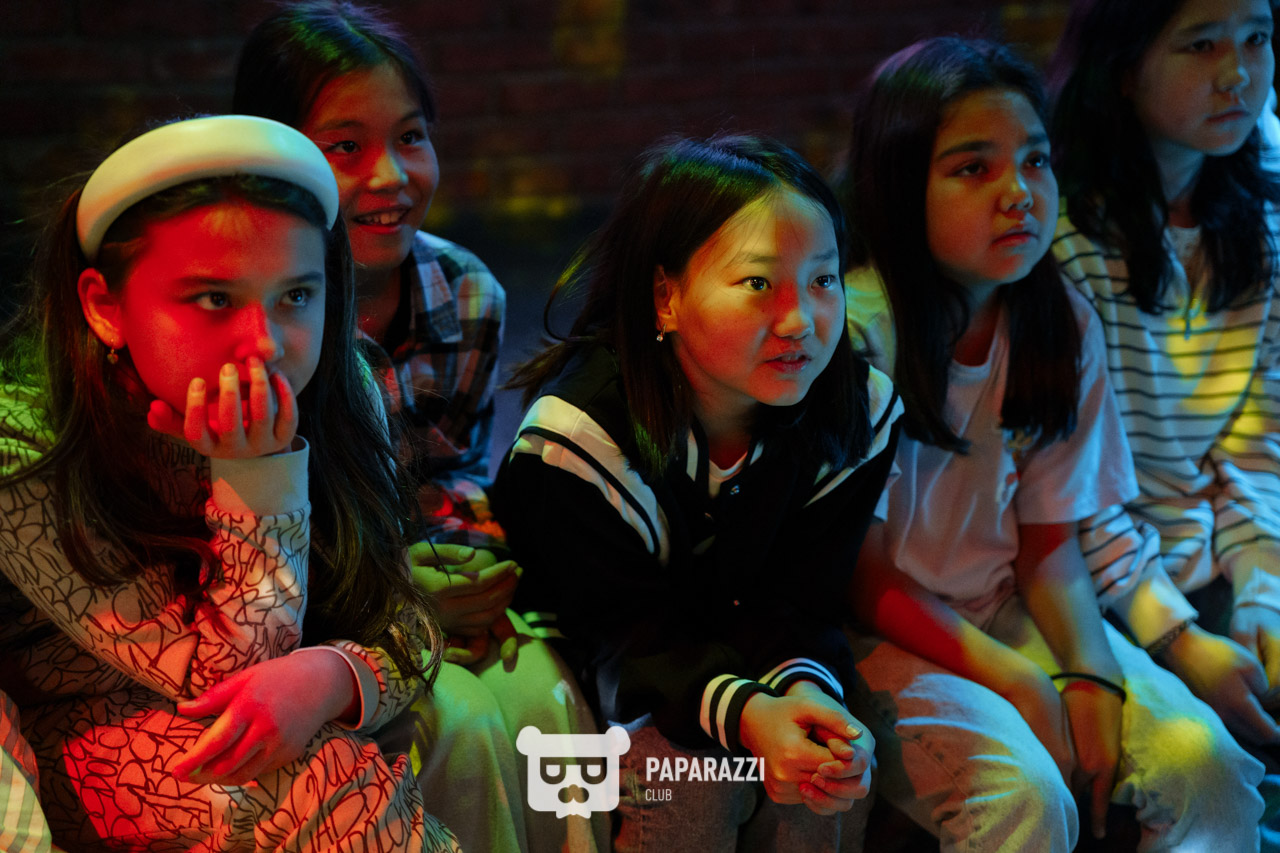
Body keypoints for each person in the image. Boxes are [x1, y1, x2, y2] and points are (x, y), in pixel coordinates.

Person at [839, 36, 1264, 852]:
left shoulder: (1058, 320)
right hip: (879, 636)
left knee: (1205, 764)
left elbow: (1049, 545)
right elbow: (866, 580)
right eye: (974, 168)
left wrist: (1091, 672)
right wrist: (1023, 680)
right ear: (898, 182)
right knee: (1024, 797)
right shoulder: (860, 336)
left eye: (1034, 161)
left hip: (1006, 607)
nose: (1018, 193)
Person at [0, 115, 457, 852]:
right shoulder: (26, 446)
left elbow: (408, 618)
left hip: (290, 705)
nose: (265, 343)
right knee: (319, 785)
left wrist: (333, 675)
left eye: (296, 296)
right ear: (105, 307)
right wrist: (256, 474)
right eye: (215, 299)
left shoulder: (341, 389)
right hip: (94, 728)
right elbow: (226, 683)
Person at [232, 3, 601, 850]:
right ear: (273, 158)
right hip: (311, 622)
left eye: (411, 137)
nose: (392, 175)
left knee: (548, 696)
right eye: (346, 146)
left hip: (425, 586)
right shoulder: (256, 326)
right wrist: (397, 596)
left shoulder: (466, 294)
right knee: (466, 722)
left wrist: (473, 560)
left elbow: (453, 471)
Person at [492, 134, 894, 852]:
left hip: (746, 649)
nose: (801, 321)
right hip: (600, 664)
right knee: (692, 785)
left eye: (823, 280)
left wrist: (801, 696)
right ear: (666, 297)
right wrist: (746, 713)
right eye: (759, 283)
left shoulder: (857, 408)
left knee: (829, 765)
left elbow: (803, 598)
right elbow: (617, 630)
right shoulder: (577, 438)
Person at [1050, 0, 1280, 747]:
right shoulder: (1062, 238)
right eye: (1202, 45)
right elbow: (1064, 488)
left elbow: (1257, 431)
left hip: (1218, 554)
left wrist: (1262, 588)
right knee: (1205, 755)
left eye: (1257, 38)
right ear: (1124, 70)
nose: (1237, 74)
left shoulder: (1260, 214)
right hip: (1095, 586)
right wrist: (1176, 636)